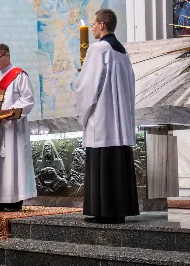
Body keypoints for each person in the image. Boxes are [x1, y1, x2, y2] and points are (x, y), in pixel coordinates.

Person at [74, 9, 139, 224]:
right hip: (119, 120)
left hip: (102, 117)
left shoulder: (99, 49)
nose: (92, 27)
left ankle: (103, 212)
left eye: (94, 24)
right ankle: (117, 211)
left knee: (102, 162)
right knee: (117, 163)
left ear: (102, 25)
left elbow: (88, 86)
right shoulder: (122, 52)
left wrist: (82, 108)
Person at [0, 44, 37, 212]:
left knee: (14, 162)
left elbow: (27, 99)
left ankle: (15, 200)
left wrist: (11, 112)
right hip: (0, 127)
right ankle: (2, 198)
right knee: (0, 163)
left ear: (7, 55)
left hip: (14, 127)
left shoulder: (19, 75)